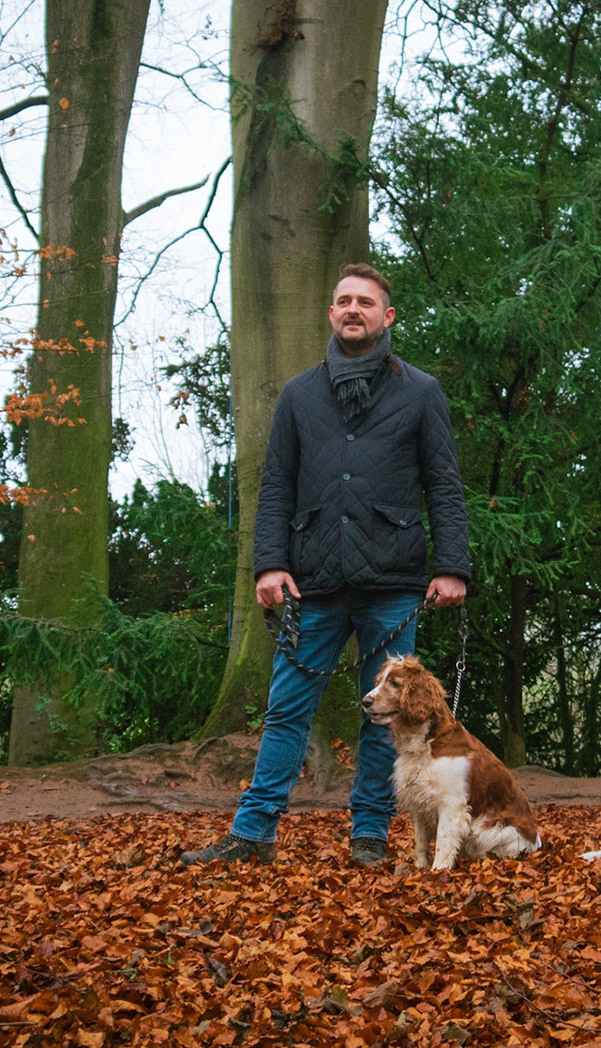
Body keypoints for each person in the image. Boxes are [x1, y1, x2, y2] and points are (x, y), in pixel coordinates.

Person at [181, 263, 470, 868]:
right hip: (309, 580)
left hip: (392, 582)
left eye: (366, 302)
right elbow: (275, 485)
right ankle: (253, 833)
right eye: (343, 301)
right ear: (331, 314)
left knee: (384, 716)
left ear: (387, 316)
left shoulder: (421, 392)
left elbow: (444, 485)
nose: (353, 309)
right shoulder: (298, 394)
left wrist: (453, 567)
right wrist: (269, 565)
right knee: (286, 708)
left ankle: (367, 836)